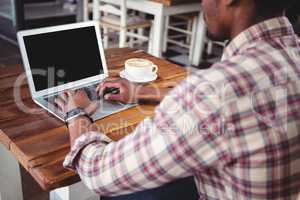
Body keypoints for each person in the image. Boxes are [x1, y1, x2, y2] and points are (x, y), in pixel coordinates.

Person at [55, 0, 300, 199]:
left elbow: (99, 173)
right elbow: (229, 97)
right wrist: (143, 92)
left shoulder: (214, 92)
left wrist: (77, 114)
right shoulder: (290, 52)